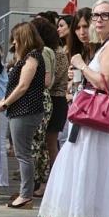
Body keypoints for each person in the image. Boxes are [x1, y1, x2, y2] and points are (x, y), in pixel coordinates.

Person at [32, 0, 109, 217]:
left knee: (89, 171)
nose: (98, 20)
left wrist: (79, 65)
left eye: (104, 15)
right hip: (92, 120)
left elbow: (104, 82)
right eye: (96, 15)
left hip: (97, 120)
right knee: (87, 171)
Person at [0, 22, 45, 206]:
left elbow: (23, 85)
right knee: (22, 153)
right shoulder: (28, 57)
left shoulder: (32, 58)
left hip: (26, 110)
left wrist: (6, 102)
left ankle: (26, 195)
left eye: (16, 39)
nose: (13, 43)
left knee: (23, 154)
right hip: (22, 110)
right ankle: (25, 192)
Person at [32, 16, 68, 196]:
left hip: (55, 99)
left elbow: (51, 81)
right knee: (47, 143)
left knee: (50, 143)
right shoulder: (52, 52)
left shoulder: (56, 53)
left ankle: (52, 182)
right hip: (55, 100)